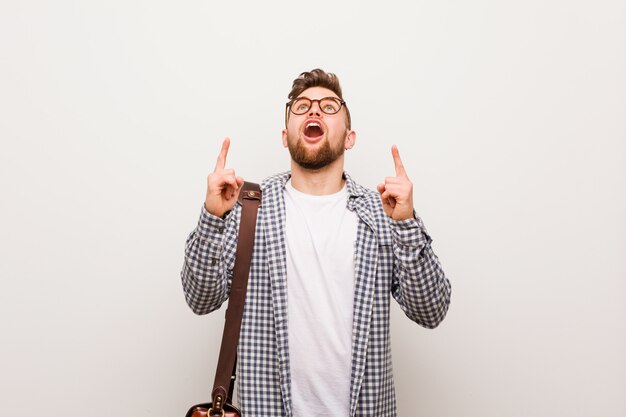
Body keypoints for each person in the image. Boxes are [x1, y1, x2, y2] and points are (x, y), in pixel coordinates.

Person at [181, 68, 451, 417]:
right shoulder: (250, 208)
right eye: (302, 106)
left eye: (328, 106)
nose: (313, 111)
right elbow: (200, 299)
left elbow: (431, 311)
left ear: (350, 137)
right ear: (285, 135)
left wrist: (408, 225)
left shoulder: (384, 212)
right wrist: (212, 218)